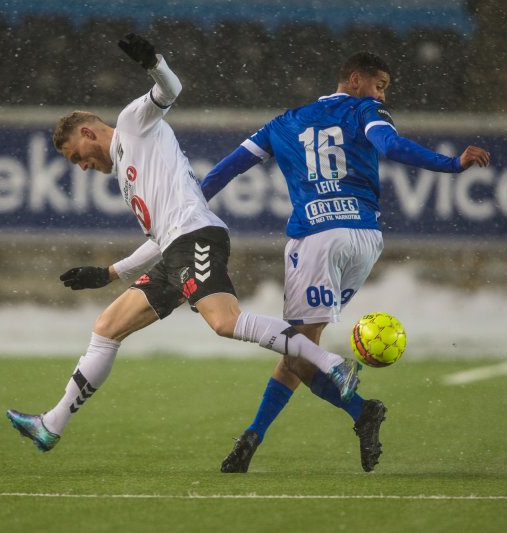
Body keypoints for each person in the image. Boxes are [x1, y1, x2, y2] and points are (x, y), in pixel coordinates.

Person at [5, 34, 363, 456]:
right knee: (106, 329)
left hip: (197, 237)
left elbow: (169, 90)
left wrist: (154, 62)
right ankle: (52, 425)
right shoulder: (128, 169)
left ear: (87, 131)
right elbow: (158, 241)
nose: (82, 166)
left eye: (76, 156)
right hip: (175, 248)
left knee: (225, 322)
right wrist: (107, 274)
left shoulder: (132, 126)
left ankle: (333, 364)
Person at [200, 51, 490, 473]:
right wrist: (450, 164)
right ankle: (253, 437)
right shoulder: (365, 111)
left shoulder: (282, 123)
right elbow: (389, 145)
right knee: (301, 347)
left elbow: (224, 171)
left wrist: (189, 209)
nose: (381, 94)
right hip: (365, 239)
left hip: (318, 238)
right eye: (380, 85)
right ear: (355, 80)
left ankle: (359, 411)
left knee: (299, 350)